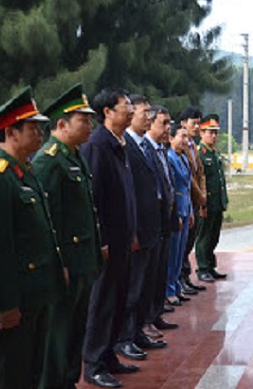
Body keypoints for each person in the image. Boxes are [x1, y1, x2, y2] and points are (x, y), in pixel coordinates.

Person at [0, 87, 67, 389]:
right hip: (18, 296)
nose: (41, 134)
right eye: (33, 129)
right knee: (10, 373)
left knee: (32, 369)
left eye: (41, 128)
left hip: (37, 291)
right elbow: (0, 248)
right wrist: (6, 304)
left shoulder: (24, 171)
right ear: (11, 133)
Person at [31, 84, 103, 389]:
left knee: (76, 329)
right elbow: (49, 222)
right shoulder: (49, 161)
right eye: (83, 121)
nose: (90, 126)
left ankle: (68, 381)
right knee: (59, 334)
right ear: (61, 124)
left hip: (83, 260)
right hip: (66, 265)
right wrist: (58, 265)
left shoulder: (75, 157)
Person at [81, 89, 138, 388]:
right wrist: (101, 240)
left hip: (122, 239)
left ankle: (109, 354)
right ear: (107, 112)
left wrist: (131, 233)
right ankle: (93, 363)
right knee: (102, 302)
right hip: (107, 243)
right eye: (125, 107)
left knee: (119, 299)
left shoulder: (120, 143)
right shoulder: (98, 146)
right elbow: (95, 199)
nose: (130, 111)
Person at [116, 98, 169, 363]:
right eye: (143, 112)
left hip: (152, 226)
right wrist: (133, 230)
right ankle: (124, 338)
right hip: (137, 229)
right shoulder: (126, 146)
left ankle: (137, 332)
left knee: (145, 285)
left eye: (150, 112)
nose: (148, 117)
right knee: (132, 288)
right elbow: (129, 194)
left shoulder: (144, 146)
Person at [195, 114, 228, 283]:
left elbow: (219, 180)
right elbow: (201, 180)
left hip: (217, 202)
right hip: (206, 203)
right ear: (201, 133)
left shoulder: (214, 153)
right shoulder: (200, 153)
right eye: (210, 132)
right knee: (204, 237)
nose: (213, 136)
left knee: (214, 236)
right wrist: (202, 204)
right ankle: (202, 268)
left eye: (215, 133)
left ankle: (210, 266)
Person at [178, 107, 206, 293]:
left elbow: (200, 173)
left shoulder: (193, 146)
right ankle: (179, 279)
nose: (196, 127)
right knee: (182, 245)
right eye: (192, 123)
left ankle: (185, 277)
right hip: (187, 200)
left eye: (198, 123)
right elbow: (188, 178)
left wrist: (202, 196)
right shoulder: (178, 148)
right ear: (182, 124)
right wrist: (200, 195)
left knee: (189, 243)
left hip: (195, 201)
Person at [167, 125, 194, 305]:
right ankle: (169, 289)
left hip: (186, 207)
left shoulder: (183, 157)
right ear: (171, 138)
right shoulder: (169, 157)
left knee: (181, 251)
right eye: (181, 137)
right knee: (172, 252)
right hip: (176, 209)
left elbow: (188, 186)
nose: (185, 141)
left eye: (186, 137)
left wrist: (190, 210)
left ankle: (176, 285)